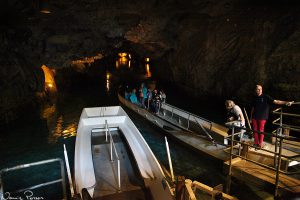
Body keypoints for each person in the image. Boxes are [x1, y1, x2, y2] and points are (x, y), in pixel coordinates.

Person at [250, 84, 294, 148]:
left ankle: (260, 144)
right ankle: (255, 143)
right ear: (255, 90)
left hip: (262, 117)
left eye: (260, 89)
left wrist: (286, 102)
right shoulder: (254, 98)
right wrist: (250, 117)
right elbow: (253, 108)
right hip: (254, 117)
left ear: (262, 90)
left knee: (261, 131)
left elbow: (276, 101)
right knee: (255, 131)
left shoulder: (265, 97)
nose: (259, 90)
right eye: (258, 89)